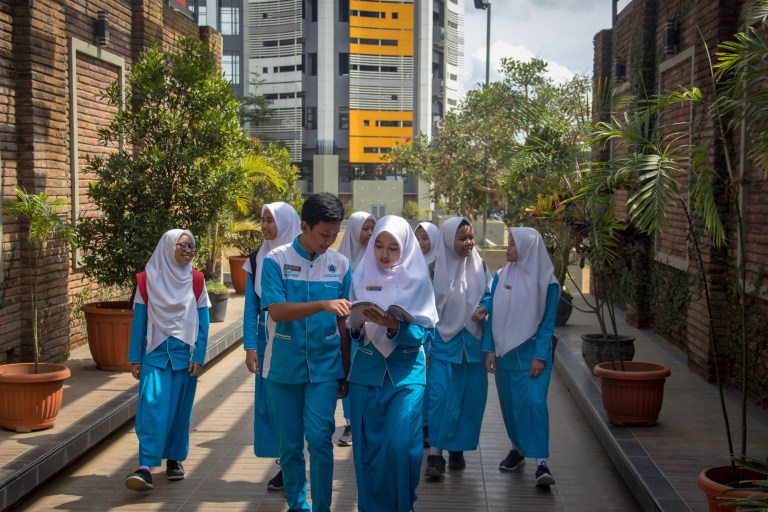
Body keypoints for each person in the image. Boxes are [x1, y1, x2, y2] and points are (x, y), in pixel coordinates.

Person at [260, 192, 352, 512]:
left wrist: (346, 368)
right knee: (289, 445)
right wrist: (322, 304)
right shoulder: (276, 260)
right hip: (283, 366)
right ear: (304, 226)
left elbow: (344, 324)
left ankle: (323, 507)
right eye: (324, 234)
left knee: (320, 438)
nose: (329, 241)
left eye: (334, 235)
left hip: (325, 367)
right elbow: (277, 310)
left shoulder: (341, 266)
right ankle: (299, 505)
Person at [347, 215, 437, 511]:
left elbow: (424, 334)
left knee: (402, 447)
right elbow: (352, 329)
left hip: (406, 373)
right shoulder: (360, 276)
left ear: (406, 248)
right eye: (379, 246)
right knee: (368, 449)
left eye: (393, 247)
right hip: (366, 373)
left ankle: (402, 503)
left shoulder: (418, 280)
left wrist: (394, 325)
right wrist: (356, 326)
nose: (384, 254)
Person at [124, 229, 211, 491]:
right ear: (167, 247)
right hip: (155, 354)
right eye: (182, 246)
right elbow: (140, 320)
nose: (188, 251)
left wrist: (199, 355)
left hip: (185, 356)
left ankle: (174, 459)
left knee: (180, 411)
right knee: (151, 408)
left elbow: (204, 320)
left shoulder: (196, 280)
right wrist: (135, 357)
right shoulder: (146, 280)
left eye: (191, 246)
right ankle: (145, 467)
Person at [483, 227, 560, 487]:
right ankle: (517, 450)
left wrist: (540, 356)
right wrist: (489, 349)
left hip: (533, 356)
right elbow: (493, 314)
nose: (508, 248)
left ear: (529, 247)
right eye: (509, 243)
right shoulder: (501, 275)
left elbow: (548, 323)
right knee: (510, 406)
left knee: (535, 404)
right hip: (505, 355)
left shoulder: (548, 283)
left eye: (513, 244)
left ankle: (542, 463)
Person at [425, 217, 491, 481]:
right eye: (462, 238)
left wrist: (485, 306)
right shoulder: (433, 269)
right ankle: (435, 455)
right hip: (441, 344)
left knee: (468, 400)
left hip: (473, 346)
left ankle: (457, 448)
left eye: (471, 237)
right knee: (440, 398)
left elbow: (490, 293)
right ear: (448, 239)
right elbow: (423, 307)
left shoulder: (480, 265)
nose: (469, 242)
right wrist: (425, 346)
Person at [242, 202, 301, 491]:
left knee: (292, 403)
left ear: (286, 222)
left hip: (293, 339)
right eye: (263, 220)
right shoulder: (257, 258)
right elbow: (250, 307)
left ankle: (292, 464)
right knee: (271, 403)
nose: (264, 226)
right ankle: (284, 463)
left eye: (270, 220)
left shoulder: (300, 256)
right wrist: (250, 346)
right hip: (266, 339)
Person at [335, 211, 376, 447]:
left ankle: (366, 420)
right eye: (365, 228)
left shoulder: (376, 258)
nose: (370, 233)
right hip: (346, 329)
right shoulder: (340, 261)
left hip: (371, 328)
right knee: (347, 371)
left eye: (372, 228)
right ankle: (350, 423)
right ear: (353, 230)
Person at [413, 220, 440, 447]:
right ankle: (420, 425)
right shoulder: (408, 263)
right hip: (415, 330)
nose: (420, 243)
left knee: (432, 382)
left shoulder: (441, 265)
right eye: (417, 238)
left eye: (425, 238)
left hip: (436, 330)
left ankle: (429, 425)